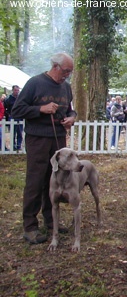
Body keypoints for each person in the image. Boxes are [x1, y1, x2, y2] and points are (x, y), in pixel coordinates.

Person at [11, 52, 76, 244]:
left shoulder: (66, 87)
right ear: (55, 66)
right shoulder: (35, 83)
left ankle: (51, 221)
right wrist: (40, 109)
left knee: (55, 180)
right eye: (66, 71)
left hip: (58, 141)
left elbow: (70, 109)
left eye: (70, 72)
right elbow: (17, 111)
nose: (67, 75)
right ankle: (30, 226)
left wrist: (72, 117)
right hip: (38, 139)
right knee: (35, 181)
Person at [4, 85, 24, 150]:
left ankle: (18, 146)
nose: (17, 92)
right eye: (15, 90)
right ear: (12, 90)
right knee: (12, 133)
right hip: (12, 117)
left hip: (20, 117)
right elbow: (4, 108)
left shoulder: (20, 98)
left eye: (18, 90)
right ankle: (13, 146)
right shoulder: (8, 99)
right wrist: (8, 114)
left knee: (20, 133)